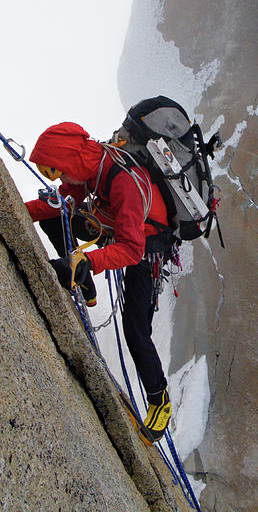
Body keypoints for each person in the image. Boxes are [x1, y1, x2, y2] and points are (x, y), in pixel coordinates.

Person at [24, 121, 173, 441]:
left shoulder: (123, 184)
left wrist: (89, 261)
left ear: (70, 161)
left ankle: (160, 402)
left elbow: (132, 250)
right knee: (58, 218)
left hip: (146, 247)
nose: (60, 179)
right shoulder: (88, 166)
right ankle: (84, 281)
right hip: (113, 227)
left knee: (135, 330)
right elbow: (60, 205)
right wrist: (19, 210)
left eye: (59, 172)